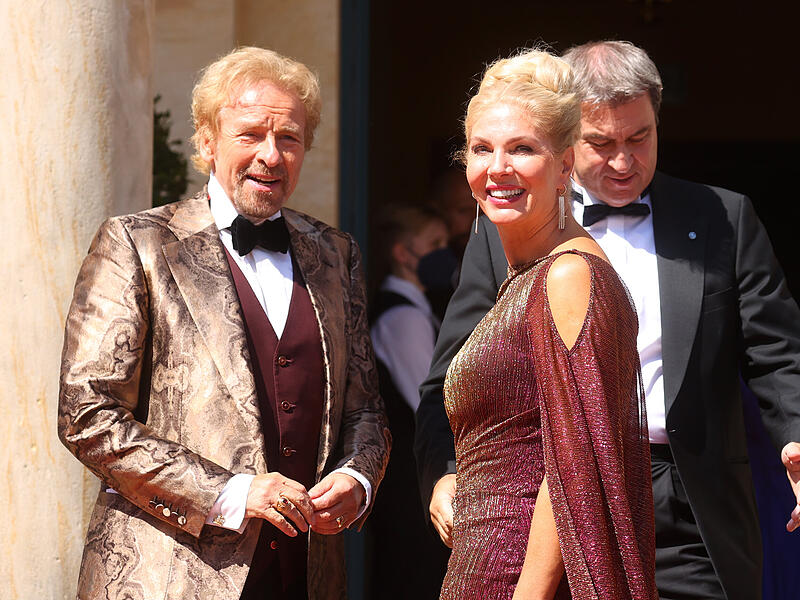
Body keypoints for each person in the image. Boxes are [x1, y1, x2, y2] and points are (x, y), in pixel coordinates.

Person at [415, 40, 800, 600]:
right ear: (571, 144)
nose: (623, 161)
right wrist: (445, 470)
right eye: (602, 143)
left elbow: (778, 352)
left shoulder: (723, 217)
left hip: (688, 500)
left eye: (639, 138)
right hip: (536, 511)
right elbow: (451, 372)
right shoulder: (503, 225)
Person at [58, 46, 390, 600]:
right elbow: (86, 413)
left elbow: (365, 409)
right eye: (250, 135)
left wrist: (357, 478)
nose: (271, 155)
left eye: (289, 138)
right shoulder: (137, 244)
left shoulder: (336, 254)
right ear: (208, 142)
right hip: (166, 576)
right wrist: (230, 493)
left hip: (305, 578)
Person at [437, 48, 656, 599]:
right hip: (481, 570)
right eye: (482, 148)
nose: (498, 167)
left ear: (564, 167)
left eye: (522, 149)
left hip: (521, 582)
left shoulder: (568, 275)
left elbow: (574, 467)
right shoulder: (528, 274)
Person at [367, 204, 451, 598]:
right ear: (403, 253)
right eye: (434, 244)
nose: (445, 253)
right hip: (409, 479)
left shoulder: (418, 310)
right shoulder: (403, 317)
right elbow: (429, 399)